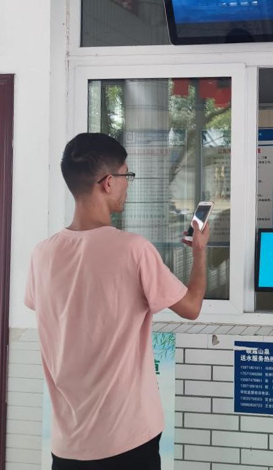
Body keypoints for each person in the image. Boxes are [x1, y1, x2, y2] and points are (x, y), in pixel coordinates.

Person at [25, 133, 209, 470]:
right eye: (127, 175)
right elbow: (192, 307)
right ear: (108, 183)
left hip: (67, 446)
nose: (128, 185)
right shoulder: (133, 250)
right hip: (128, 440)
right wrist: (199, 251)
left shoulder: (42, 254)